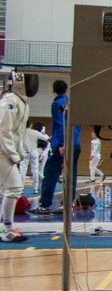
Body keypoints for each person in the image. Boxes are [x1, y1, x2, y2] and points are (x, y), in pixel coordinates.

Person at [0, 72, 37, 242]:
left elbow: (18, 133)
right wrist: (12, 154)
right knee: (14, 188)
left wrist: (19, 151)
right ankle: (6, 230)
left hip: (7, 150)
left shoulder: (22, 102)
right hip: (2, 150)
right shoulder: (10, 101)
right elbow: (3, 130)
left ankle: (6, 228)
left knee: (12, 189)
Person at [29, 80, 69, 216]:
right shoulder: (70, 103)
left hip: (61, 145)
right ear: (66, 90)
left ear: (53, 90)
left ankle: (44, 206)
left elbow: (59, 124)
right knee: (70, 176)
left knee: (50, 174)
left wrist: (61, 143)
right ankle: (67, 206)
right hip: (72, 142)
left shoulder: (57, 103)